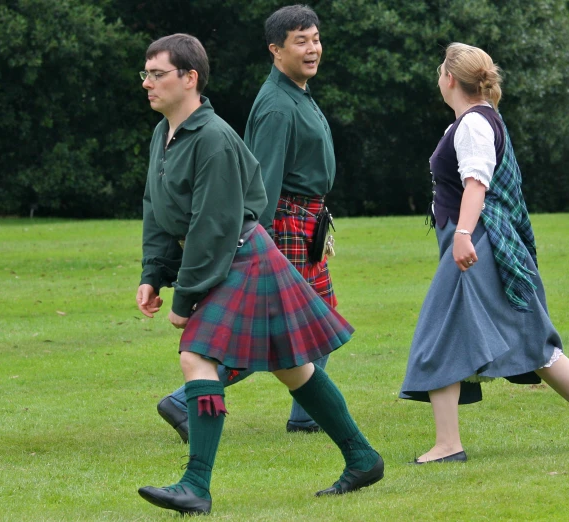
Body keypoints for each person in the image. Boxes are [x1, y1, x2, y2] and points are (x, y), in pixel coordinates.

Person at [135, 34, 383, 515]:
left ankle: (196, 486)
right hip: (235, 257)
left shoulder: (213, 139)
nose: (147, 83)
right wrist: (153, 272)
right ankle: (363, 456)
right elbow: (157, 209)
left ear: (190, 78)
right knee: (292, 366)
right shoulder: (163, 134)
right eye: (145, 74)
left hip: (242, 256)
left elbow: (213, 225)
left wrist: (184, 300)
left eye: (156, 74)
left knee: (198, 357)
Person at [400, 43, 569, 463]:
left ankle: (448, 445)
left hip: (479, 246)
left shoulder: (473, 126)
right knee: (528, 335)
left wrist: (463, 233)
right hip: (483, 245)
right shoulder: (476, 121)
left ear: (449, 79)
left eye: (440, 71)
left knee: (438, 334)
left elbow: (476, 184)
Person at [157, 4, 339, 440]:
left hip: (306, 223)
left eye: (315, 38)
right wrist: (268, 245)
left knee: (320, 319)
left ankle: (305, 416)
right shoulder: (277, 106)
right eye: (301, 41)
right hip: (284, 226)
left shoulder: (298, 92)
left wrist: (321, 229)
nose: (312, 48)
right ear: (276, 50)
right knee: (273, 331)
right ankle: (184, 401)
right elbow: (263, 183)